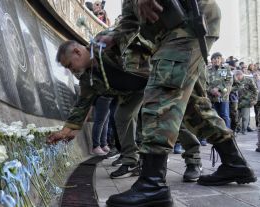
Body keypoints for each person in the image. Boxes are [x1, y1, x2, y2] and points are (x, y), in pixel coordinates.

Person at [95, 0, 256, 206]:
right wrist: (114, 36)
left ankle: (153, 184)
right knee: (194, 107)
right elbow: (130, 16)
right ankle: (234, 162)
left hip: (188, 20)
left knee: (162, 94)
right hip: (174, 30)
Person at [48, 39, 202, 181]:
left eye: (69, 65)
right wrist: (66, 131)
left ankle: (193, 159)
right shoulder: (88, 78)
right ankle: (130, 161)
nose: (70, 70)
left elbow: (146, 41)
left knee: (169, 115)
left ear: (77, 52)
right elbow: (81, 105)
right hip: (132, 92)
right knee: (122, 116)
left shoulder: (108, 43)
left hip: (156, 77)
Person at [207, 52, 233, 128]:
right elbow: (204, 83)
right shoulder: (207, 70)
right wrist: (211, 90)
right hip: (212, 97)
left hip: (223, 97)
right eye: (214, 58)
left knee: (224, 115)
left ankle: (227, 134)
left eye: (218, 58)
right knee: (215, 116)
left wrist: (218, 89)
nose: (216, 60)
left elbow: (229, 81)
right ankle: (218, 135)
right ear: (211, 60)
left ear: (221, 60)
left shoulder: (225, 68)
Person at [233, 70, 258, 135]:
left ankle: (244, 130)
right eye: (236, 76)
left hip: (246, 101)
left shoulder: (249, 80)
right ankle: (237, 129)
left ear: (241, 75)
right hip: (236, 102)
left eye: (238, 75)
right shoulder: (234, 81)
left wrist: (254, 100)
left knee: (245, 117)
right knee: (236, 117)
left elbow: (255, 90)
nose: (238, 77)